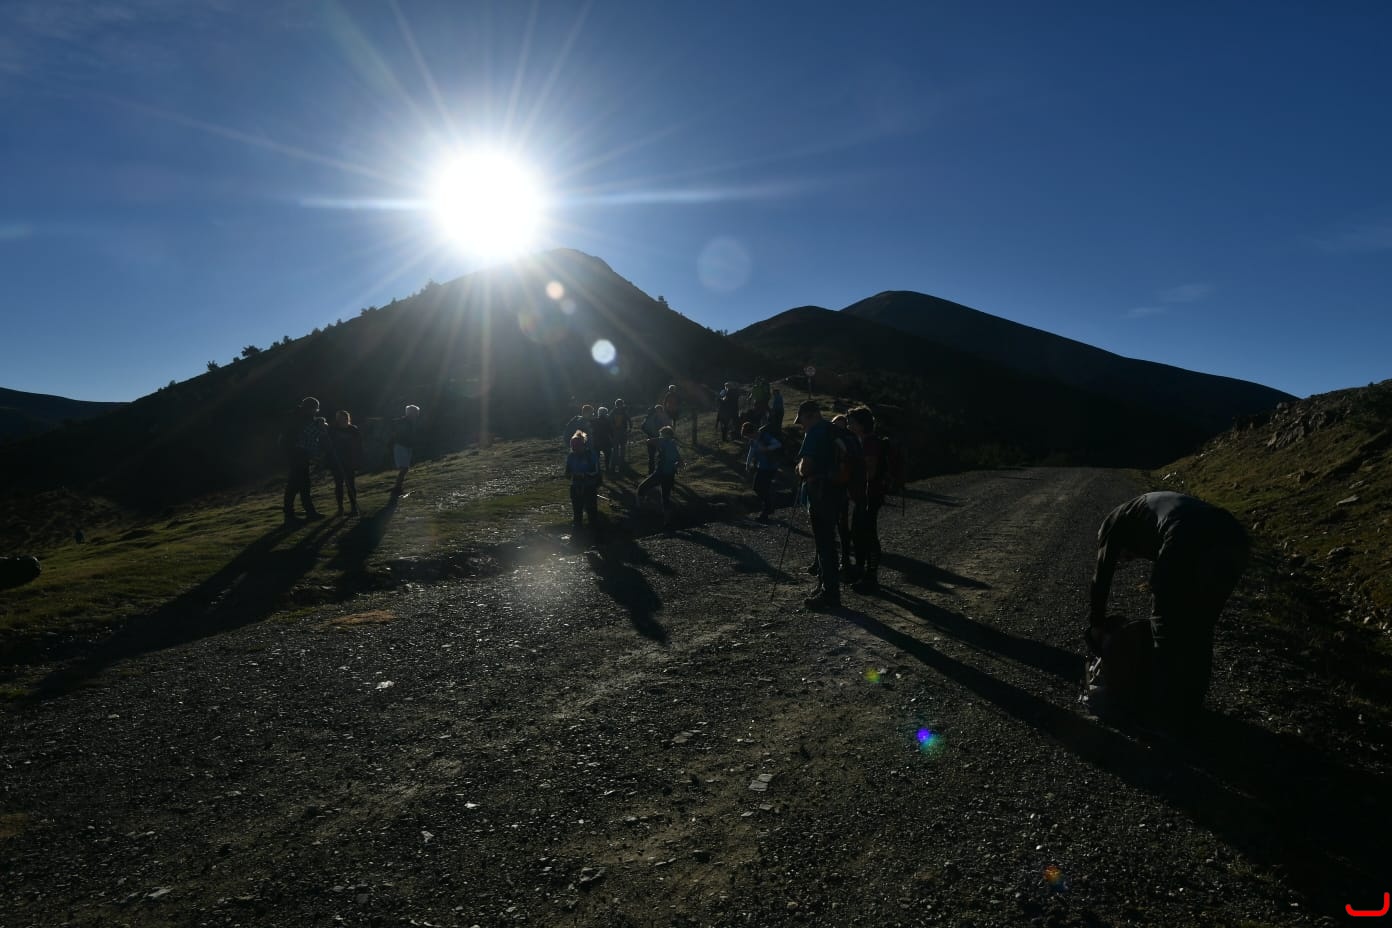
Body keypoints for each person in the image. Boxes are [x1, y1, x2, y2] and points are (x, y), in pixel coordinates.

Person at [1085, 491, 1250, 727]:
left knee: (1165, 627)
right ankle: (1190, 706)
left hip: (1187, 532)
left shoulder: (1114, 523)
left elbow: (1101, 576)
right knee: (1200, 628)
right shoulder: (1144, 512)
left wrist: (1096, 624)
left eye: (1126, 558)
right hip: (1233, 537)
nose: (1129, 560)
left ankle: (1165, 713)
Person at [795, 400, 846, 609]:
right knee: (829, 541)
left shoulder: (815, 432)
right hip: (837, 491)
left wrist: (799, 469)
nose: (802, 426)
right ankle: (825, 586)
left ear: (811, 415)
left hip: (820, 493)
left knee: (824, 543)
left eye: (802, 421)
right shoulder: (834, 430)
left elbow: (806, 467)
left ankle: (830, 594)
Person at [846, 406, 884, 592]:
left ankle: (871, 576)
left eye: (852, 422)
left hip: (870, 495)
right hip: (865, 495)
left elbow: (870, 473)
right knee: (858, 532)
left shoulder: (869, 443)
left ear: (861, 424)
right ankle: (861, 570)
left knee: (868, 534)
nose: (849, 425)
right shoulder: (864, 441)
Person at [282, 396, 324, 522]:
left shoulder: (298, 416)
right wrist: (321, 424)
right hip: (298, 454)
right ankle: (293, 514)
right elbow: (312, 432)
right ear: (311, 408)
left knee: (299, 484)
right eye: (315, 409)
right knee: (297, 484)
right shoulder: (302, 418)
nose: (315, 412)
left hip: (296, 454)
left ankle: (303, 512)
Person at [637, 424, 682, 526]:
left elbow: (650, 441)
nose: (660, 435)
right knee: (665, 497)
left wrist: (651, 440)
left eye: (661, 434)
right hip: (670, 475)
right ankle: (667, 520)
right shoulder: (673, 444)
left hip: (660, 473)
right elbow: (680, 461)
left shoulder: (663, 441)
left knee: (641, 488)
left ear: (665, 434)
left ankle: (640, 510)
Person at [564, 432, 603, 537]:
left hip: (589, 487)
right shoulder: (571, 456)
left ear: (582, 445)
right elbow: (567, 473)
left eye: (576, 447)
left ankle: (594, 535)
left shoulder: (590, 455)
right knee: (577, 512)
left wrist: (583, 475)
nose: (574, 449)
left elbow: (596, 472)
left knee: (591, 511)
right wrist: (572, 475)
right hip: (575, 487)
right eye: (573, 447)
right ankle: (577, 535)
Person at [743, 421, 782, 522]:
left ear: (752, 432)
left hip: (771, 467)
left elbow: (778, 444)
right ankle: (768, 507)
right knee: (757, 488)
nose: (748, 438)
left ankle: (766, 511)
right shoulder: (753, 440)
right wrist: (747, 464)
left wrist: (767, 448)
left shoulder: (765, 436)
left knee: (762, 488)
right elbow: (751, 452)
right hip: (762, 467)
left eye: (748, 435)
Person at [327, 409, 363, 516]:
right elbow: (328, 442)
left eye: (344, 418)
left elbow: (358, 445)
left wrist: (357, 459)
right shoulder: (333, 430)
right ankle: (340, 508)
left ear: (347, 418)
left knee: (350, 484)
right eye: (340, 419)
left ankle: (353, 507)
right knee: (339, 485)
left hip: (349, 461)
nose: (342, 420)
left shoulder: (353, 429)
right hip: (337, 461)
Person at [390, 404, 421, 499]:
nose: (417, 415)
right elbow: (398, 433)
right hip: (401, 446)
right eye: (415, 413)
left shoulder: (411, 422)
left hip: (407, 446)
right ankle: (397, 488)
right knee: (404, 468)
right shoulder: (403, 422)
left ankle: (398, 487)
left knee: (405, 468)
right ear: (410, 413)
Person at [642, 403, 672, 473]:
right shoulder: (664, 417)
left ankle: (652, 472)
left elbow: (643, 427)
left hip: (652, 438)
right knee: (661, 455)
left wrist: (649, 433)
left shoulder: (649, 417)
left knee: (652, 456)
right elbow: (669, 426)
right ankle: (660, 471)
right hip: (660, 438)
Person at [591, 406, 615, 474]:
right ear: (605, 413)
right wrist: (613, 439)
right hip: (605, 441)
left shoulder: (594, 421)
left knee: (597, 457)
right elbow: (611, 431)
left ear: (599, 413)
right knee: (608, 456)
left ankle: (597, 470)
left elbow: (592, 431)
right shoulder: (607, 421)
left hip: (596, 441)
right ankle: (607, 468)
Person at [610, 399, 631, 473]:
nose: (620, 406)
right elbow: (629, 420)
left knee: (618, 448)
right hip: (620, 432)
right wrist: (630, 428)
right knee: (620, 447)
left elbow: (610, 422)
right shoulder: (623, 411)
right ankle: (620, 461)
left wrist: (630, 428)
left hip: (618, 432)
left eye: (620, 404)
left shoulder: (613, 412)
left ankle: (618, 462)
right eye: (620, 404)